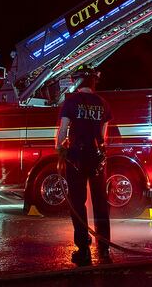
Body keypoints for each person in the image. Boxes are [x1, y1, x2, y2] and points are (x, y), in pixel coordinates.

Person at [55, 65, 112, 266]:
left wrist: (60, 148)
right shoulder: (103, 103)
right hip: (96, 159)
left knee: (78, 203)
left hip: (76, 158)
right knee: (100, 203)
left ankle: (84, 250)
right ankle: (104, 249)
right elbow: (103, 136)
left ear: (78, 81)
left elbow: (63, 130)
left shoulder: (71, 102)